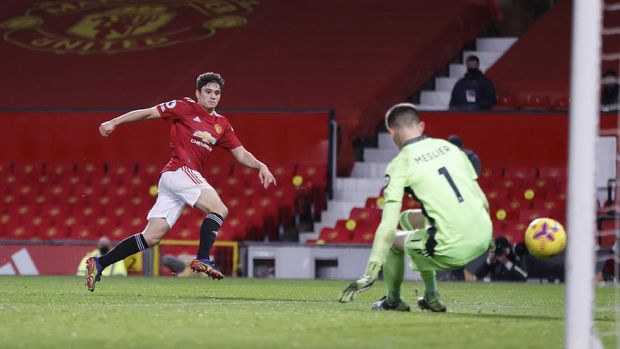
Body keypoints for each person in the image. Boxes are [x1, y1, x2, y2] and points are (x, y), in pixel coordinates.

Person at [85, 72, 276, 292]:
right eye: (208, 92)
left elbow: (241, 154)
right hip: (180, 170)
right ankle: (203, 258)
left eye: (217, 93)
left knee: (152, 236)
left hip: (172, 179)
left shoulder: (221, 124)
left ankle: (99, 263)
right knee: (219, 209)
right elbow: (148, 113)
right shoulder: (184, 107)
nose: (213, 97)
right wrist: (114, 122)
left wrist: (261, 165)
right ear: (197, 93)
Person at [338, 103, 492, 312]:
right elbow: (481, 199)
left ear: (391, 131)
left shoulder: (400, 163)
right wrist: (489, 240)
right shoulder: (451, 148)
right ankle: (430, 297)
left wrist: (370, 272)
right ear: (421, 126)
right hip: (484, 236)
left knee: (393, 239)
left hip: (453, 248)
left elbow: (387, 226)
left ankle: (393, 301)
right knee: (407, 218)